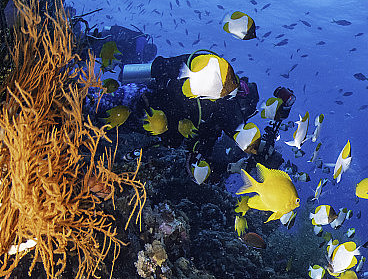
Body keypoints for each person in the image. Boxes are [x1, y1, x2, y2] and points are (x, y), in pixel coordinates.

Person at [90, 51, 296, 185]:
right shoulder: (221, 102)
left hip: (143, 115)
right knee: (93, 107)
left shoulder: (213, 124)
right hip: (143, 101)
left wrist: (233, 167)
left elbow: (198, 159)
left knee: (95, 117)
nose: (238, 120)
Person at [87, 25, 158, 65]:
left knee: (85, 51)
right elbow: (138, 50)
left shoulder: (134, 55)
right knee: (85, 42)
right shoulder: (141, 40)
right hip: (103, 41)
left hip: (102, 49)